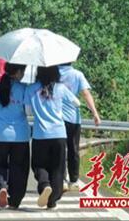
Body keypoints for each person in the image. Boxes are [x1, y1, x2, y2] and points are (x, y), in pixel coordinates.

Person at [24, 65, 79, 209]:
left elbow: (28, 111)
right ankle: (52, 200)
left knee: (38, 165)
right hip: (59, 134)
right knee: (57, 168)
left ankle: (44, 185)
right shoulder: (61, 88)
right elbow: (76, 103)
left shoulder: (31, 89)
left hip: (40, 135)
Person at [0, 63, 29, 209]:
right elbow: (28, 111)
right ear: (18, 72)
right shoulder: (23, 88)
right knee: (19, 168)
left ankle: (2, 186)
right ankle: (15, 200)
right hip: (20, 135)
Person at [59, 63, 101, 192]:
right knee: (73, 149)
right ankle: (74, 180)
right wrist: (94, 113)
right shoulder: (77, 74)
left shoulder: (53, 73)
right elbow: (85, 93)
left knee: (60, 150)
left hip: (57, 118)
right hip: (73, 118)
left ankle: (61, 179)